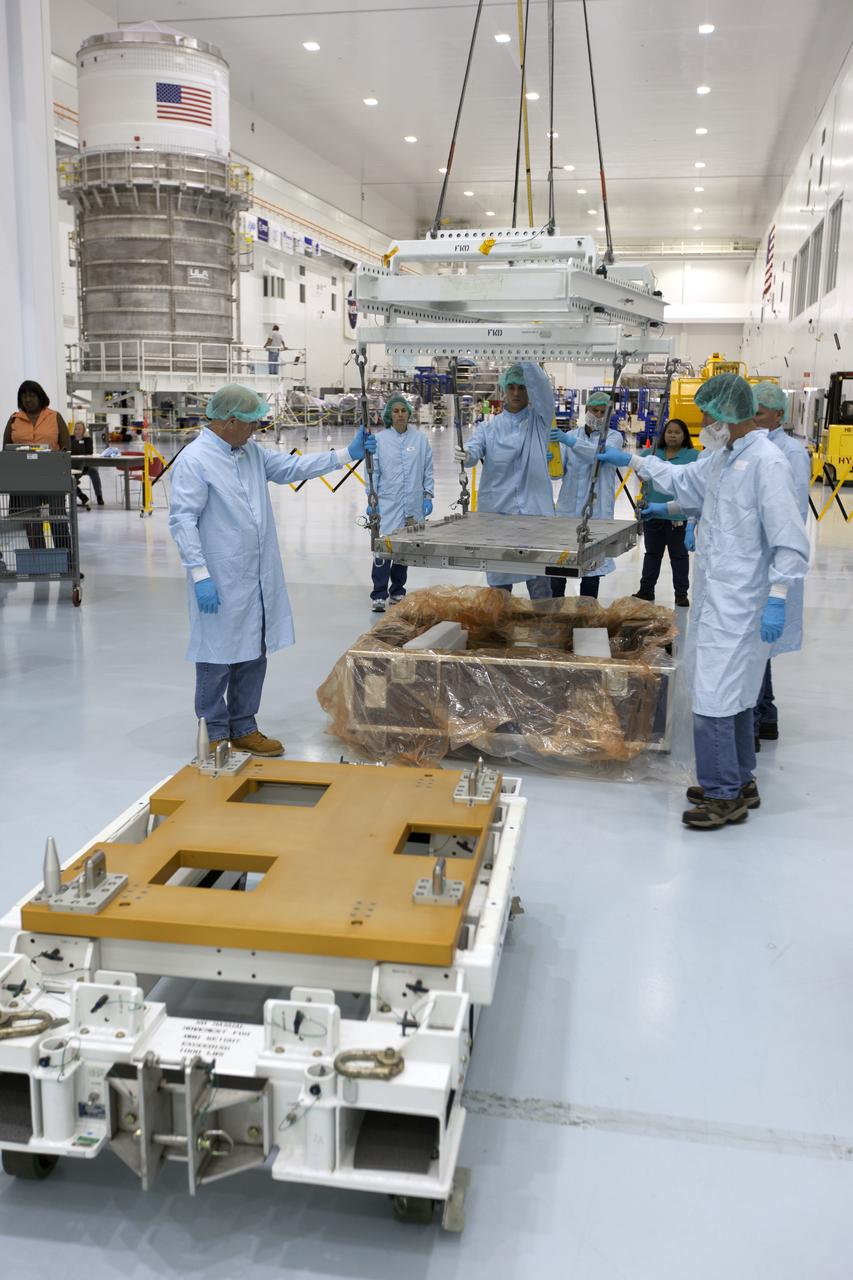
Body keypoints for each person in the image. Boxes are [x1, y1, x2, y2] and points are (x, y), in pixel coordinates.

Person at [599, 374, 810, 830]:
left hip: (743, 602)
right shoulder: (724, 456)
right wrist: (634, 460)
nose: (705, 422)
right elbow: (681, 479)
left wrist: (778, 597)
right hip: (718, 598)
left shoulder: (767, 463)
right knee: (732, 693)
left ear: (730, 414)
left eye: (709, 415)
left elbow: (789, 541)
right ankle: (738, 779)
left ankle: (722, 795)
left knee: (715, 695)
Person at [168, 383, 369, 756]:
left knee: (251, 654)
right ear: (229, 421)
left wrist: (346, 454)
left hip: (255, 577)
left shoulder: (249, 452)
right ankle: (214, 731)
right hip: (219, 577)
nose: (255, 430)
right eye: (250, 423)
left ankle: (244, 725)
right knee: (216, 659)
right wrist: (200, 576)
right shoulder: (196, 460)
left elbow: (293, 467)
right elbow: (183, 521)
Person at [454, 360, 554, 599]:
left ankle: (546, 633)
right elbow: (474, 450)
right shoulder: (489, 427)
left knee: (540, 583)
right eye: (512, 387)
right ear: (504, 390)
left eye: (522, 387)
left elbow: (543, 386)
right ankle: (499, 634)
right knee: (499, 588)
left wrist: (527, 357)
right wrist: (466, 454)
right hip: (498, 514)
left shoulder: (540, 421)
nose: (517, 393)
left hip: (534, 516)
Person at [751, 381, 812, 744]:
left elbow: (793, 515)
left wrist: (778, 581)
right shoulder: (755, 447)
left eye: (759, 413)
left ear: (778, 415)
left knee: (758, 649)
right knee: (759, 649)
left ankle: (758, 719)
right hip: (755, 560)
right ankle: (767, 713)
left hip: (771, 562)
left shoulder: (789, 453)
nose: (754, 419)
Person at [550, 390, 623, 600]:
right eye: (594, 410)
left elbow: (598, 457)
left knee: (592, 568)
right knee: (561, 563)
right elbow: (558, 474)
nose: (598, 415)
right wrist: (549, 461)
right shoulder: (571, 436)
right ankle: (556, 610)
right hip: (567, 509)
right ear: (586, 410)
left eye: (603, 412)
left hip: (596, 511)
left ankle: (586, 614)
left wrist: (569, 442)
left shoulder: (614, 438)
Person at [366, 393, 434, 612]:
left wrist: (427, 496)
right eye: (395, 411)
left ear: (409, 413)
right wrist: (371, 498)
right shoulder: (379, 440)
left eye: (403, 410)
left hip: (413, 503)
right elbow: (372, 472)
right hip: (388, 503)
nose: (400, 414)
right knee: (384, 548)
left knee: (403, 549)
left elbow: (428, 469)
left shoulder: (420, 439)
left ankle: (397, 591)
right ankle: (378, 593)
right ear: (389, 415)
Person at [633, 418, 698, 607]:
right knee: (652, 554)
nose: (673, 435)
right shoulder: (653, 453)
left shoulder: (693, 455)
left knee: (679, 556)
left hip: (678, 517)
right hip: (653, 514)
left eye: (677, 432)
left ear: (684, 435)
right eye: (669, 431)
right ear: (664, 434)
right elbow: (639, 468)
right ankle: (646, 590)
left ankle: (680, 593)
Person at [3, 381, 71, 549]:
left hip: (53, 479)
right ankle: (39, 564)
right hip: (25, 481)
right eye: (24, 396)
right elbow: (6, 449)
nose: (28, 399)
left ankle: (68, 563)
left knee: (58, 522)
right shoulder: (14, 419)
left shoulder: (54, 417)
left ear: (40, 397)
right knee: (32, 524)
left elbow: (66, 447)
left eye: (32, 395)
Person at [70, 421, 104, 509]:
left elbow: (89, 452)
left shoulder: (88, 439)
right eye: (76, 429)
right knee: (68, 478)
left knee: (94, 472)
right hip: (73, 465)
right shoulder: (70, 438)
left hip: (85, 465)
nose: (77, 431)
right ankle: (81, 495)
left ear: (83, 430)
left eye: (79, 429)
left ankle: (99, 496)